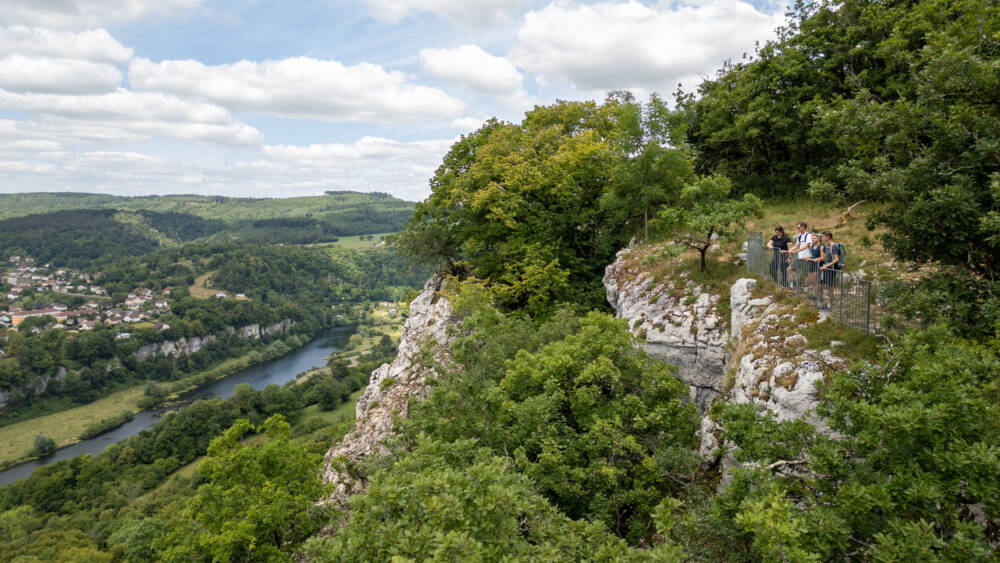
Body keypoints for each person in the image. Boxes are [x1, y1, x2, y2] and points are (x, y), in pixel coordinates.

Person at [818, 231, 844, 309]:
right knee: (820, 285)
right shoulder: (826, 246)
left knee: (830, 287)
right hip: (825, 269)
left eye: (823, 237)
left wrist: (826, 266)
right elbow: (825, 257)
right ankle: (820, 303)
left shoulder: (834, 246)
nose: (822, 238)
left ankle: (830, 304)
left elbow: (836, 259)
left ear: (828, 237)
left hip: (831, 269)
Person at [785, 221, 812, 288]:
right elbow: (796, 245)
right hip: (800, 257)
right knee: (789, 269)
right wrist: (789, 250)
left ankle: (806, 288)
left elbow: (805, 246)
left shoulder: (808, 235)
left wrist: (795, 251)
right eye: (797, 228)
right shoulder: (799, 236)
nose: (798, 229)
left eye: (798, 228)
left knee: (805, 274)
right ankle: (791, 286)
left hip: (806, 258)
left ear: (803, 227)